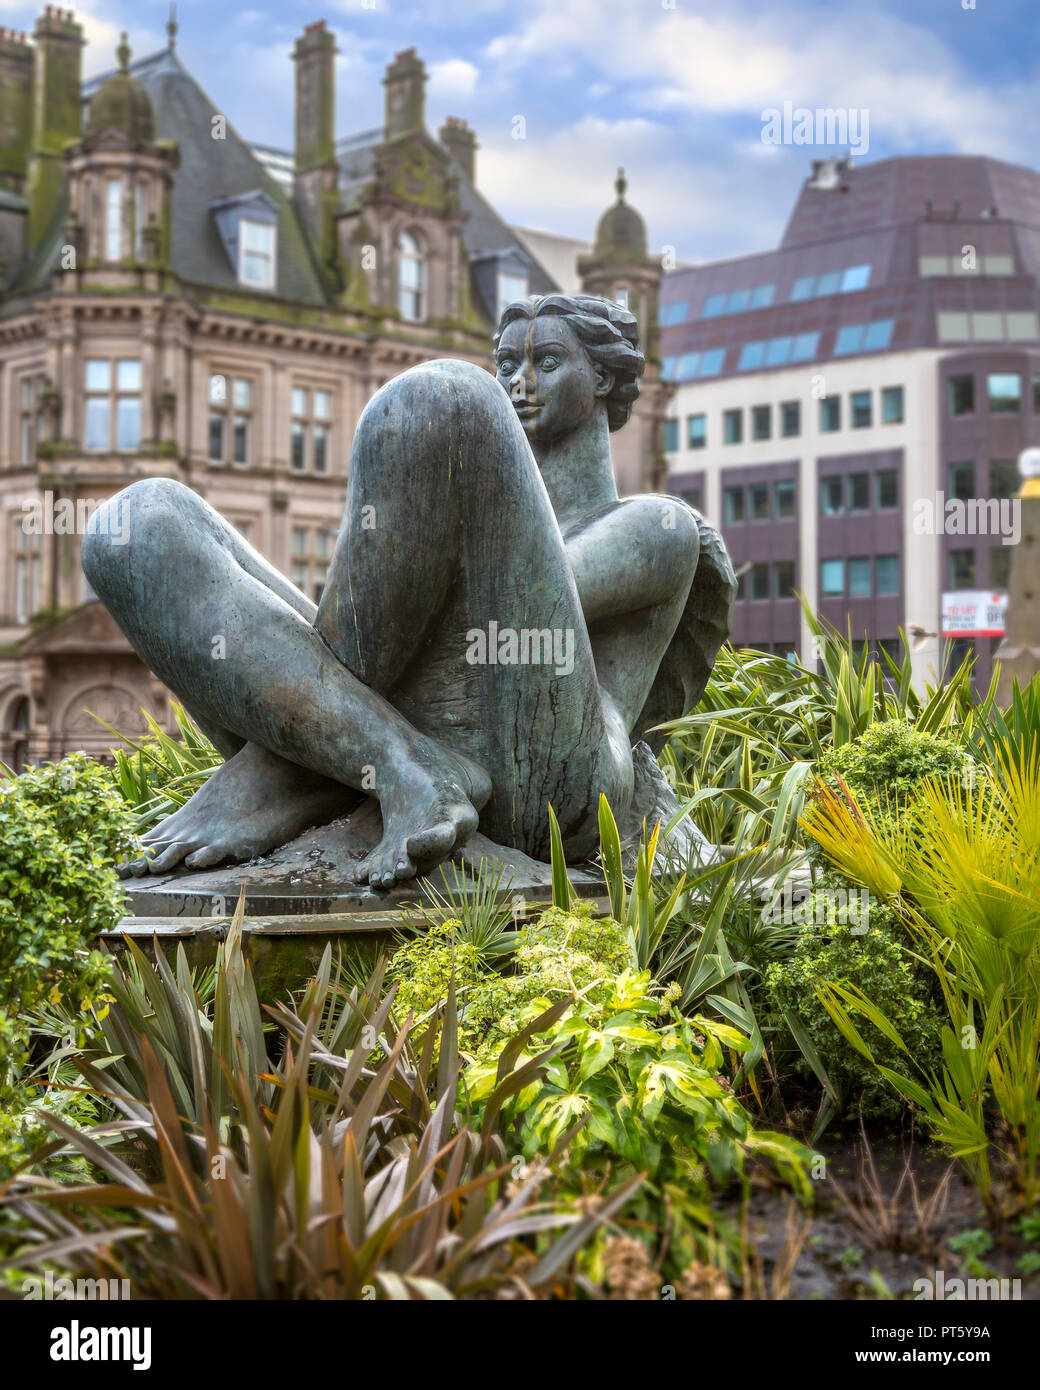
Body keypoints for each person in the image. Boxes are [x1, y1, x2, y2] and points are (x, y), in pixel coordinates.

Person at [83, 294, 734, 889]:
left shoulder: (659, 526)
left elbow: (520, 594)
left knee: (441, 397)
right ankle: (399, 768)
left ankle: (284, 772)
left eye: (548, 361)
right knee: (135, 524)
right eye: (508, 362)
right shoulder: (470, 476)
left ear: (603, 378)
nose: (518, 382)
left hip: (552, 790)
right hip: (395, 726)